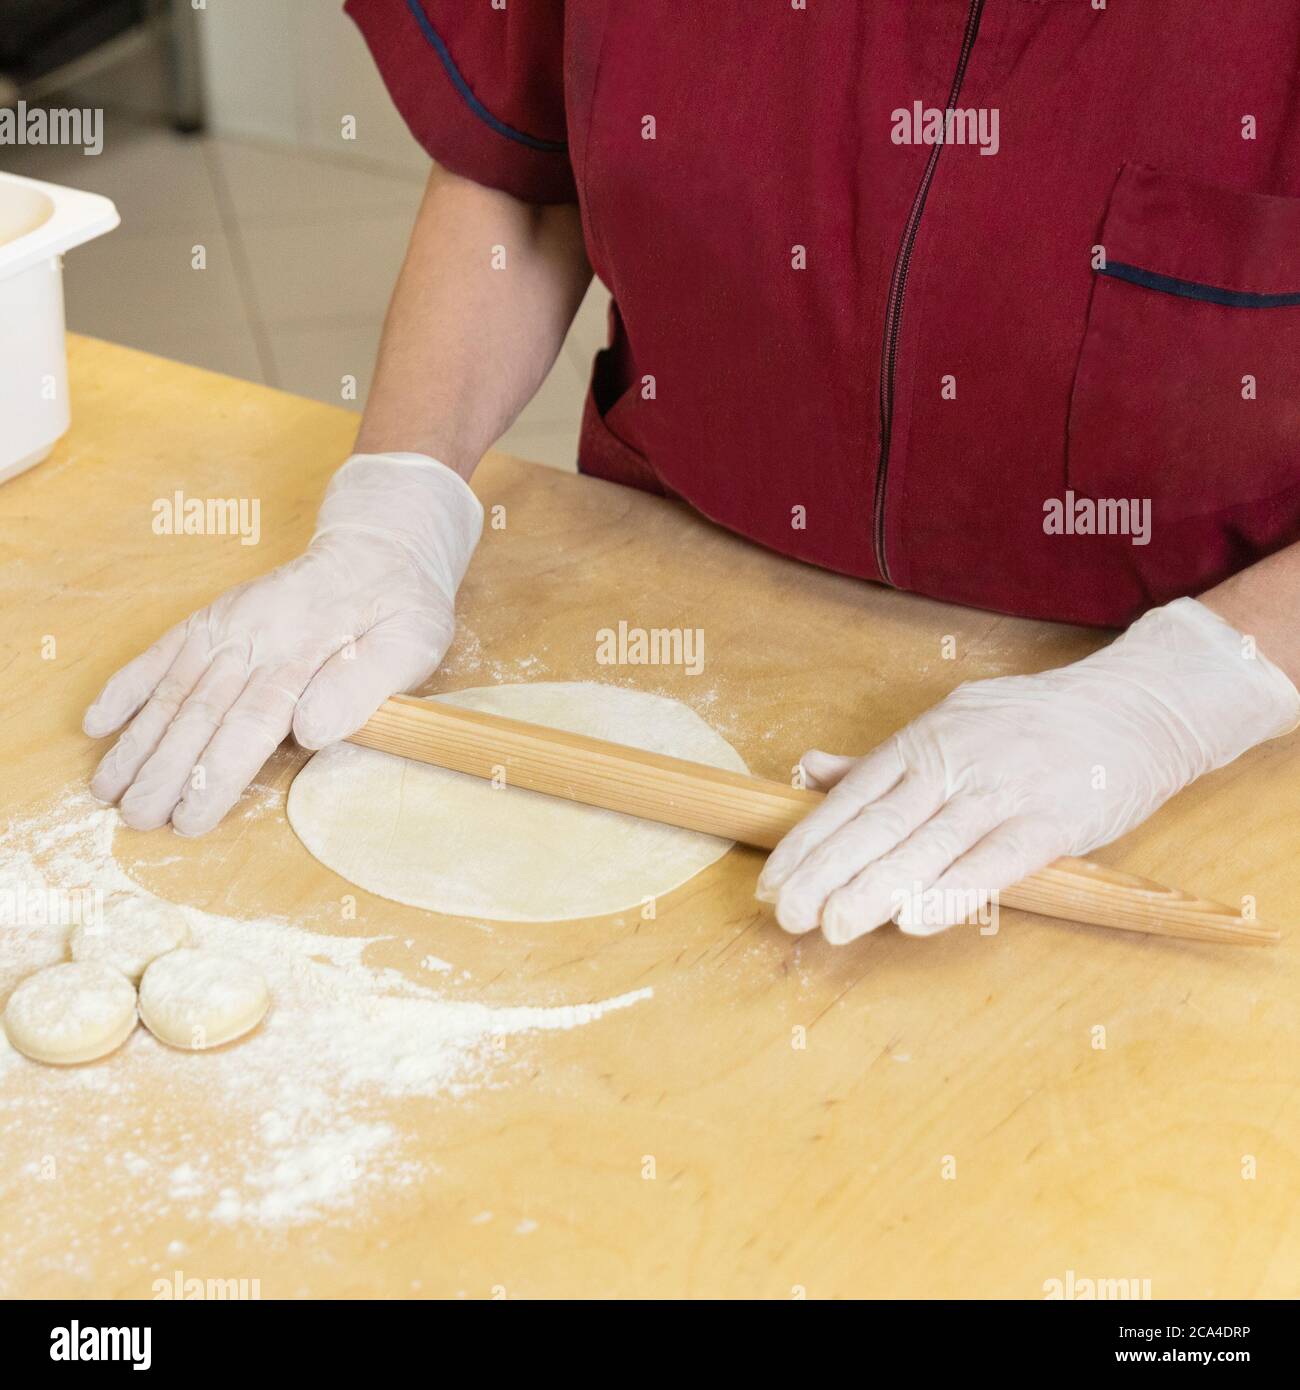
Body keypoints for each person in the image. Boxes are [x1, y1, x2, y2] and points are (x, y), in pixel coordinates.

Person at [83, 1, 1300, 944]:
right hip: (664, 594)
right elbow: (522, 158)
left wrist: (1177, 699)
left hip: (1215, 720)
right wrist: (397, 497)